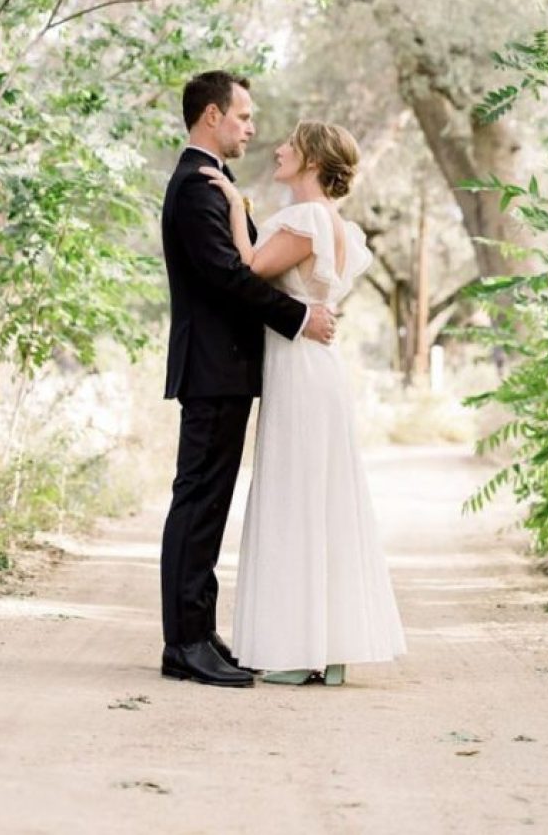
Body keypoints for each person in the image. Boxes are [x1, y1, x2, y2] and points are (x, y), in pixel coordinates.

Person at [200, 121, 406, 686]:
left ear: (312, 159)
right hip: (317, 369)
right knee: (322, 500)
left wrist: (233, 203)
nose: (280, 148)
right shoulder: (341, 227)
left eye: (291, 144)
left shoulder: (309, 217)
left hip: (299, 367)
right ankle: (328, 648)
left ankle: (298, 649)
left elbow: (246, 271)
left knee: (296, 500)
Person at [159, 72, 337, 688]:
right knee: (198, 502)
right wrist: (299, 317)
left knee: (210, 505)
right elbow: (229, 277)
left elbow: (246, 265)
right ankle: (182, 644)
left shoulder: (216, 183)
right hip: (211, 369)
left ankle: (199, 631)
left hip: (226, 369)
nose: (251, 128)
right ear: (212, 116)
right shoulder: (195, 187)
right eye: (242, 116)